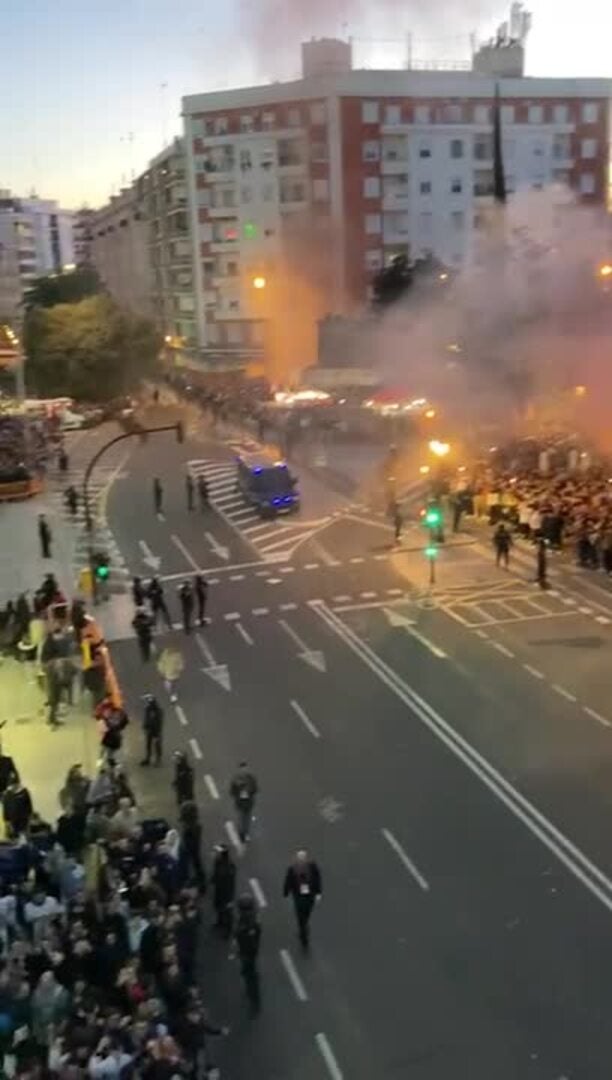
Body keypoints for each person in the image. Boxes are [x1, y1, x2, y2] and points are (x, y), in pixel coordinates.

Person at [283, 848, 322, 949]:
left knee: (306, 912)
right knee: (301, 915)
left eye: (303, 857)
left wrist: (318, 892)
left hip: (309, 895)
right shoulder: (292, 869)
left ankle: (303, 926)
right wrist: (286, 892)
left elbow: (317, 879)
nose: (301, 859)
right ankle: (303, 931)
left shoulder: (312, 867)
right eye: (300, 857)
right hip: (299, 896)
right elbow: (289, 881)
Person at [233, 893, 261, 1010]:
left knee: (250, 977)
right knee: (249, 972)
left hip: (247, 952)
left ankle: (255, 1002)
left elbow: (248, 939)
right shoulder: (251, 918)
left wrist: (240, 950)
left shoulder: (248, 923)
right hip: (249, 951)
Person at [179, 800, 206, 890]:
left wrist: (186, 848)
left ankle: (201, 883)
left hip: (192, 848)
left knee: (196, 863)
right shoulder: (195, 825)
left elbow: (190, 841)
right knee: (196, 862)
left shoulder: (190, 828)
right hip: (194, 848)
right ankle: (200, 878)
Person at [211, 844, 236, 939]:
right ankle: (220, 922)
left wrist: (230, 899)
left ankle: (228, 931)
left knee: (227, 913)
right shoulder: (218, 862)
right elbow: (216, 872)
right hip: (219, 890)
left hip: (226, 894)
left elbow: (230, 884)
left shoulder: (229, 867)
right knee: (218, 907)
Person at [229, 762, 258, 843]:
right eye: (242, 769)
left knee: (247, 820)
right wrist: (238, 793)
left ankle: (245, 833)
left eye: (245, 769)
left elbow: (255, 789)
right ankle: (241, 834)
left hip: (249, 803)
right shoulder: (235, 780)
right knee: (241, 819)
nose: (244, 771)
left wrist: (249, 792)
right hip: (240, 803)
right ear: (239, 770)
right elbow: (231, 792)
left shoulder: (251, 778)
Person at [141, 694, 164, 766]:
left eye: (149, 703)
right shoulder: (148, 709)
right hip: (149, 730)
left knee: (157, 745)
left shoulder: (158, 711)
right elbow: (146, 718)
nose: (148, 704)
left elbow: (159, 723)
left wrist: (157, 734)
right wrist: (145, 726)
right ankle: (148, 758)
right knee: (148, 745)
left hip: (156, 731)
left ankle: (158, 760)